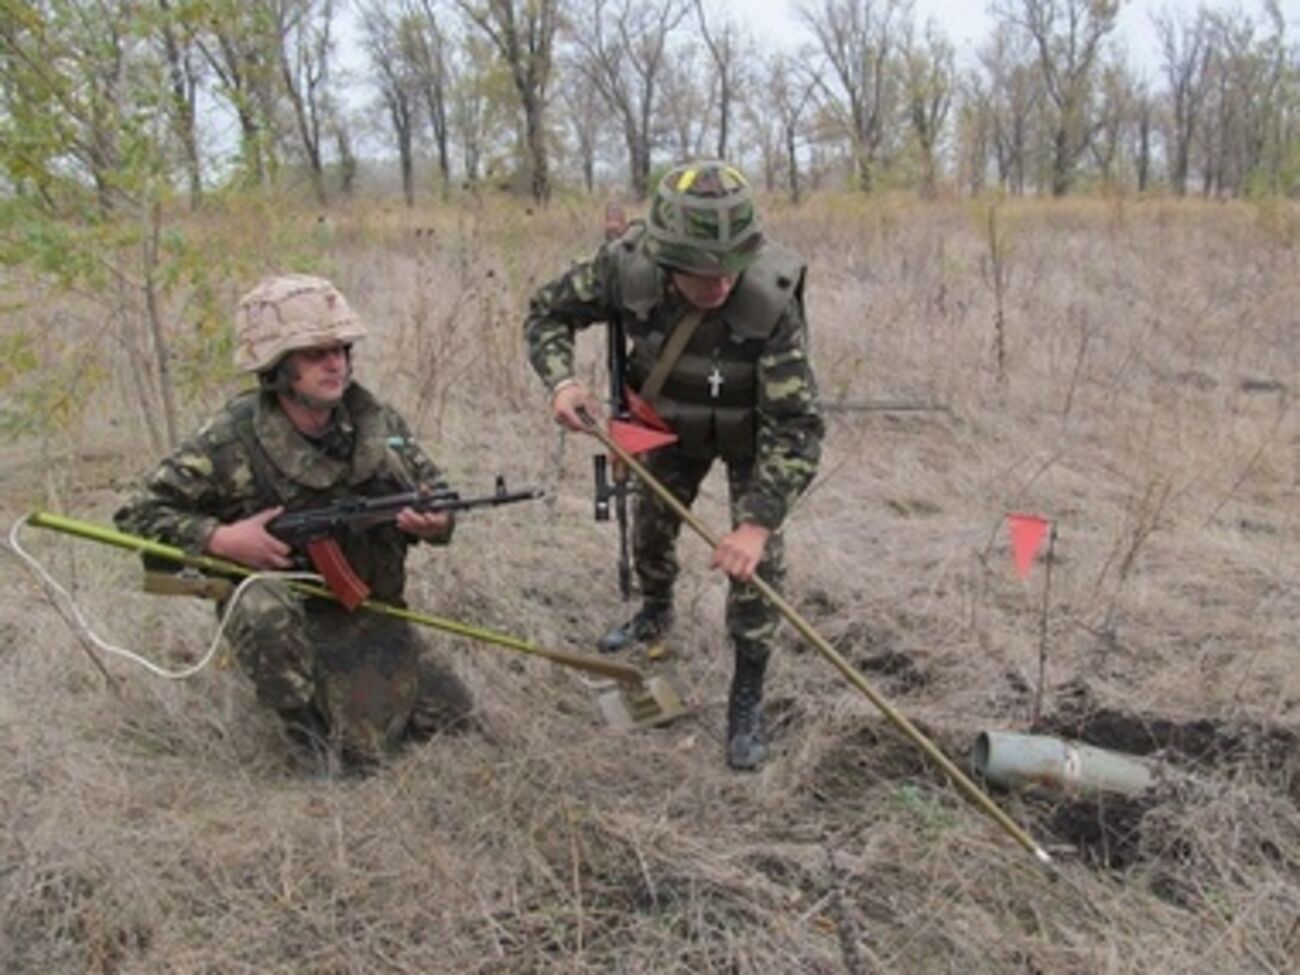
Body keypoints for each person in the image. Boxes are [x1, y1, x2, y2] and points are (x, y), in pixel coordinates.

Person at [524, 160, 824, 770]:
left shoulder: (771, 299)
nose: (720, 284)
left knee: (758, 569)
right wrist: (562, 382)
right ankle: (655, 611)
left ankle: (746, 694)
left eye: (731, 268)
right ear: (666, 259)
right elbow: (546, 312)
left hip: (752, 435)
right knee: (651, 529)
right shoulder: (624, 269)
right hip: (666, 425)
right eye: (702, 273)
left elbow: (796, 427)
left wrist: (755, 526)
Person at [115, 273, 473, 769]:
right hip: (293, 618)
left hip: (368, 609)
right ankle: (306, 734)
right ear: (277, 366)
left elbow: (435, 494)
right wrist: (220, 538)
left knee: (452, 716)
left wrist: (436, 523)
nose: (335, 363)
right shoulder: (230, 440)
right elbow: (137, 514)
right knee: (348, 747)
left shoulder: (376, 423)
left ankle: (353, 692)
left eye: (341, 349)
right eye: (314, 353)